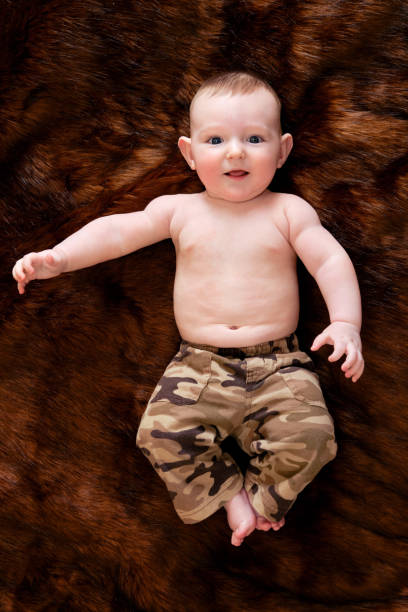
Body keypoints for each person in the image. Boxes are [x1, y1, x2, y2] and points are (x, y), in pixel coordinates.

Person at [12, 71, 364, 547]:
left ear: (282, 151)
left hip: (280, 365)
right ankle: (229, 496)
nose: (235, 151)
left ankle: (263, 501)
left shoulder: (288, 211)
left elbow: (329, 259)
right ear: (189, 153)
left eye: (254, 138)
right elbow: (116, 231)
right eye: (215, 139)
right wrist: (59, 259)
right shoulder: (179, 210)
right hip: (199, 366)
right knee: (160, 435)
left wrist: (346, 322)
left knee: (314, 437)